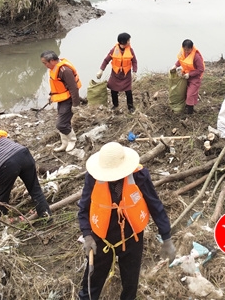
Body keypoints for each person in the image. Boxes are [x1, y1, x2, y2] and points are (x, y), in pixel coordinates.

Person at [77, 142, 177, 300]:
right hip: (102, 238)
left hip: (131, 238)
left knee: (130, 282)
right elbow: (83, 208)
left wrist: (166, 238)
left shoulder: (139, 176)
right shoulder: (93, 177)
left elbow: (155, 205)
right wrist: (87, 235)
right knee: (92, 281)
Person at [40, 50, 81, 152]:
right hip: (62, 100)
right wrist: (51, 95)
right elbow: (57, 85)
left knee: (61, 124)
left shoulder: (65, 71)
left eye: (45, 63)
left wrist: (75, 104)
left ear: (52, 61)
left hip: (69, 100)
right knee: (63, 121)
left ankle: (72, 140)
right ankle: (64, 143)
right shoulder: (55, 69)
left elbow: (73, 88)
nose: (45, 66)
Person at [96, 32, 137, 113]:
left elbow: (134, 61)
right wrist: (101, 70)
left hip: (126, 74)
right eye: (128, 40)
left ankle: (130, 107)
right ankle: (115, 105)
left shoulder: (130, 50)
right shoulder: (114, 50)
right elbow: (106, 60)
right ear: (123, 42)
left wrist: (134, 72)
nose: (130, 42)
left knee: (128, 91)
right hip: (115, 74)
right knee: (113, 90)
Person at [171, 39, 204, 114]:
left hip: (195, 78)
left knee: (190, 95)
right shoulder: (183, 52)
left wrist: (190, 74)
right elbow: (180, 60)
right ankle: (185, 107)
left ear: (191, 48)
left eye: (188, 50)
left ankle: (190, 112)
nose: (186, 51)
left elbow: (201, 69)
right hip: (185, 76)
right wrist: (175, 66)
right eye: (185, 49)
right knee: (184, 92)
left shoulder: (196, 57)